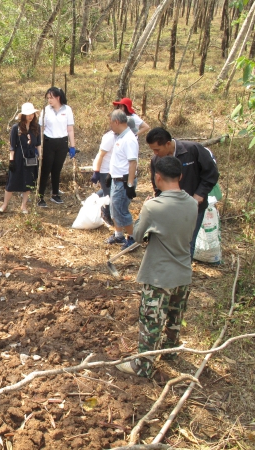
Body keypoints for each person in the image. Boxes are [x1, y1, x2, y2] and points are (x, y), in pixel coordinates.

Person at [116, 157, 197, 378]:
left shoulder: (153, 206)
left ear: (157, 177)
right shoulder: (192, 203)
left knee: (151, 321)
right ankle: (170, 352)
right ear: (180, 176)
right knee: (175, 317)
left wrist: (145, 212)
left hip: (159, 275)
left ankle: (143, 366)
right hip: (183, 272)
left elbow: (138, 236)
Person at [146, 127, 220, 259]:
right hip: (170, 210)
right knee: (170, 243)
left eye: (157, 149)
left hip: (194, 208)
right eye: (153, 150)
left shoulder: (192, 150)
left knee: (187, 244)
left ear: (168, 143)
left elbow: (211, 173)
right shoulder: (156, 160)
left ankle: (184, 270)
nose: (155, 153)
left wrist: (200, 194)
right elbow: (157, 186)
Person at [104, 110, 139, 250]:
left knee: (121, 211)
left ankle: (133, 239)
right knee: (114, 209)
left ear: (117, 122)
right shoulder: (119, 137)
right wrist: (110, 174)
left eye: (111, 122)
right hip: (116, 179)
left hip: (123, 182)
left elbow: (132, 163)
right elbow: (118, 159)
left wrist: (129, 184)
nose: (110, 125)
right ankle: (119, 235)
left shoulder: (129, 139)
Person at [0, 103, 41, 214]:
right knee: (12, 182)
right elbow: (12, 146)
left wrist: (40, 156)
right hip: (18, 157)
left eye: (32, 114)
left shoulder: (36, 127)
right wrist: (11, 160)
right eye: (28, 114)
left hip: (31, 157)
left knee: (28, 182)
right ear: (23, 115)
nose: (31, 116)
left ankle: (24, 206)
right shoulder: (16, 128)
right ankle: (4, 204)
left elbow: (38, 144)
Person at [38, 87, 76, 206]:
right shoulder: (46, 110)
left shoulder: (67, 109)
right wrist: (39, 145)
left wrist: (72, 146)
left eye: (51, 98)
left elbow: (70, 129)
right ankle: (40, 196)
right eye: (48, 98)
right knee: (45, 170)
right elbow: (41, 129)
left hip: (62, 143)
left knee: (57, 169)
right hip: (48, 142)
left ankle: (55, 194)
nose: (49, 100)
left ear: (58, 97)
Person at [90, 129, 116, 226]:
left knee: (110, 192)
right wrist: (96, 172)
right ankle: (106, 215)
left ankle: (95, 199)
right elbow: (100, 155)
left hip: (114, 171)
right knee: (108, 195)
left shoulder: (125, 136)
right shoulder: (110, 137)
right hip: (105, 170)